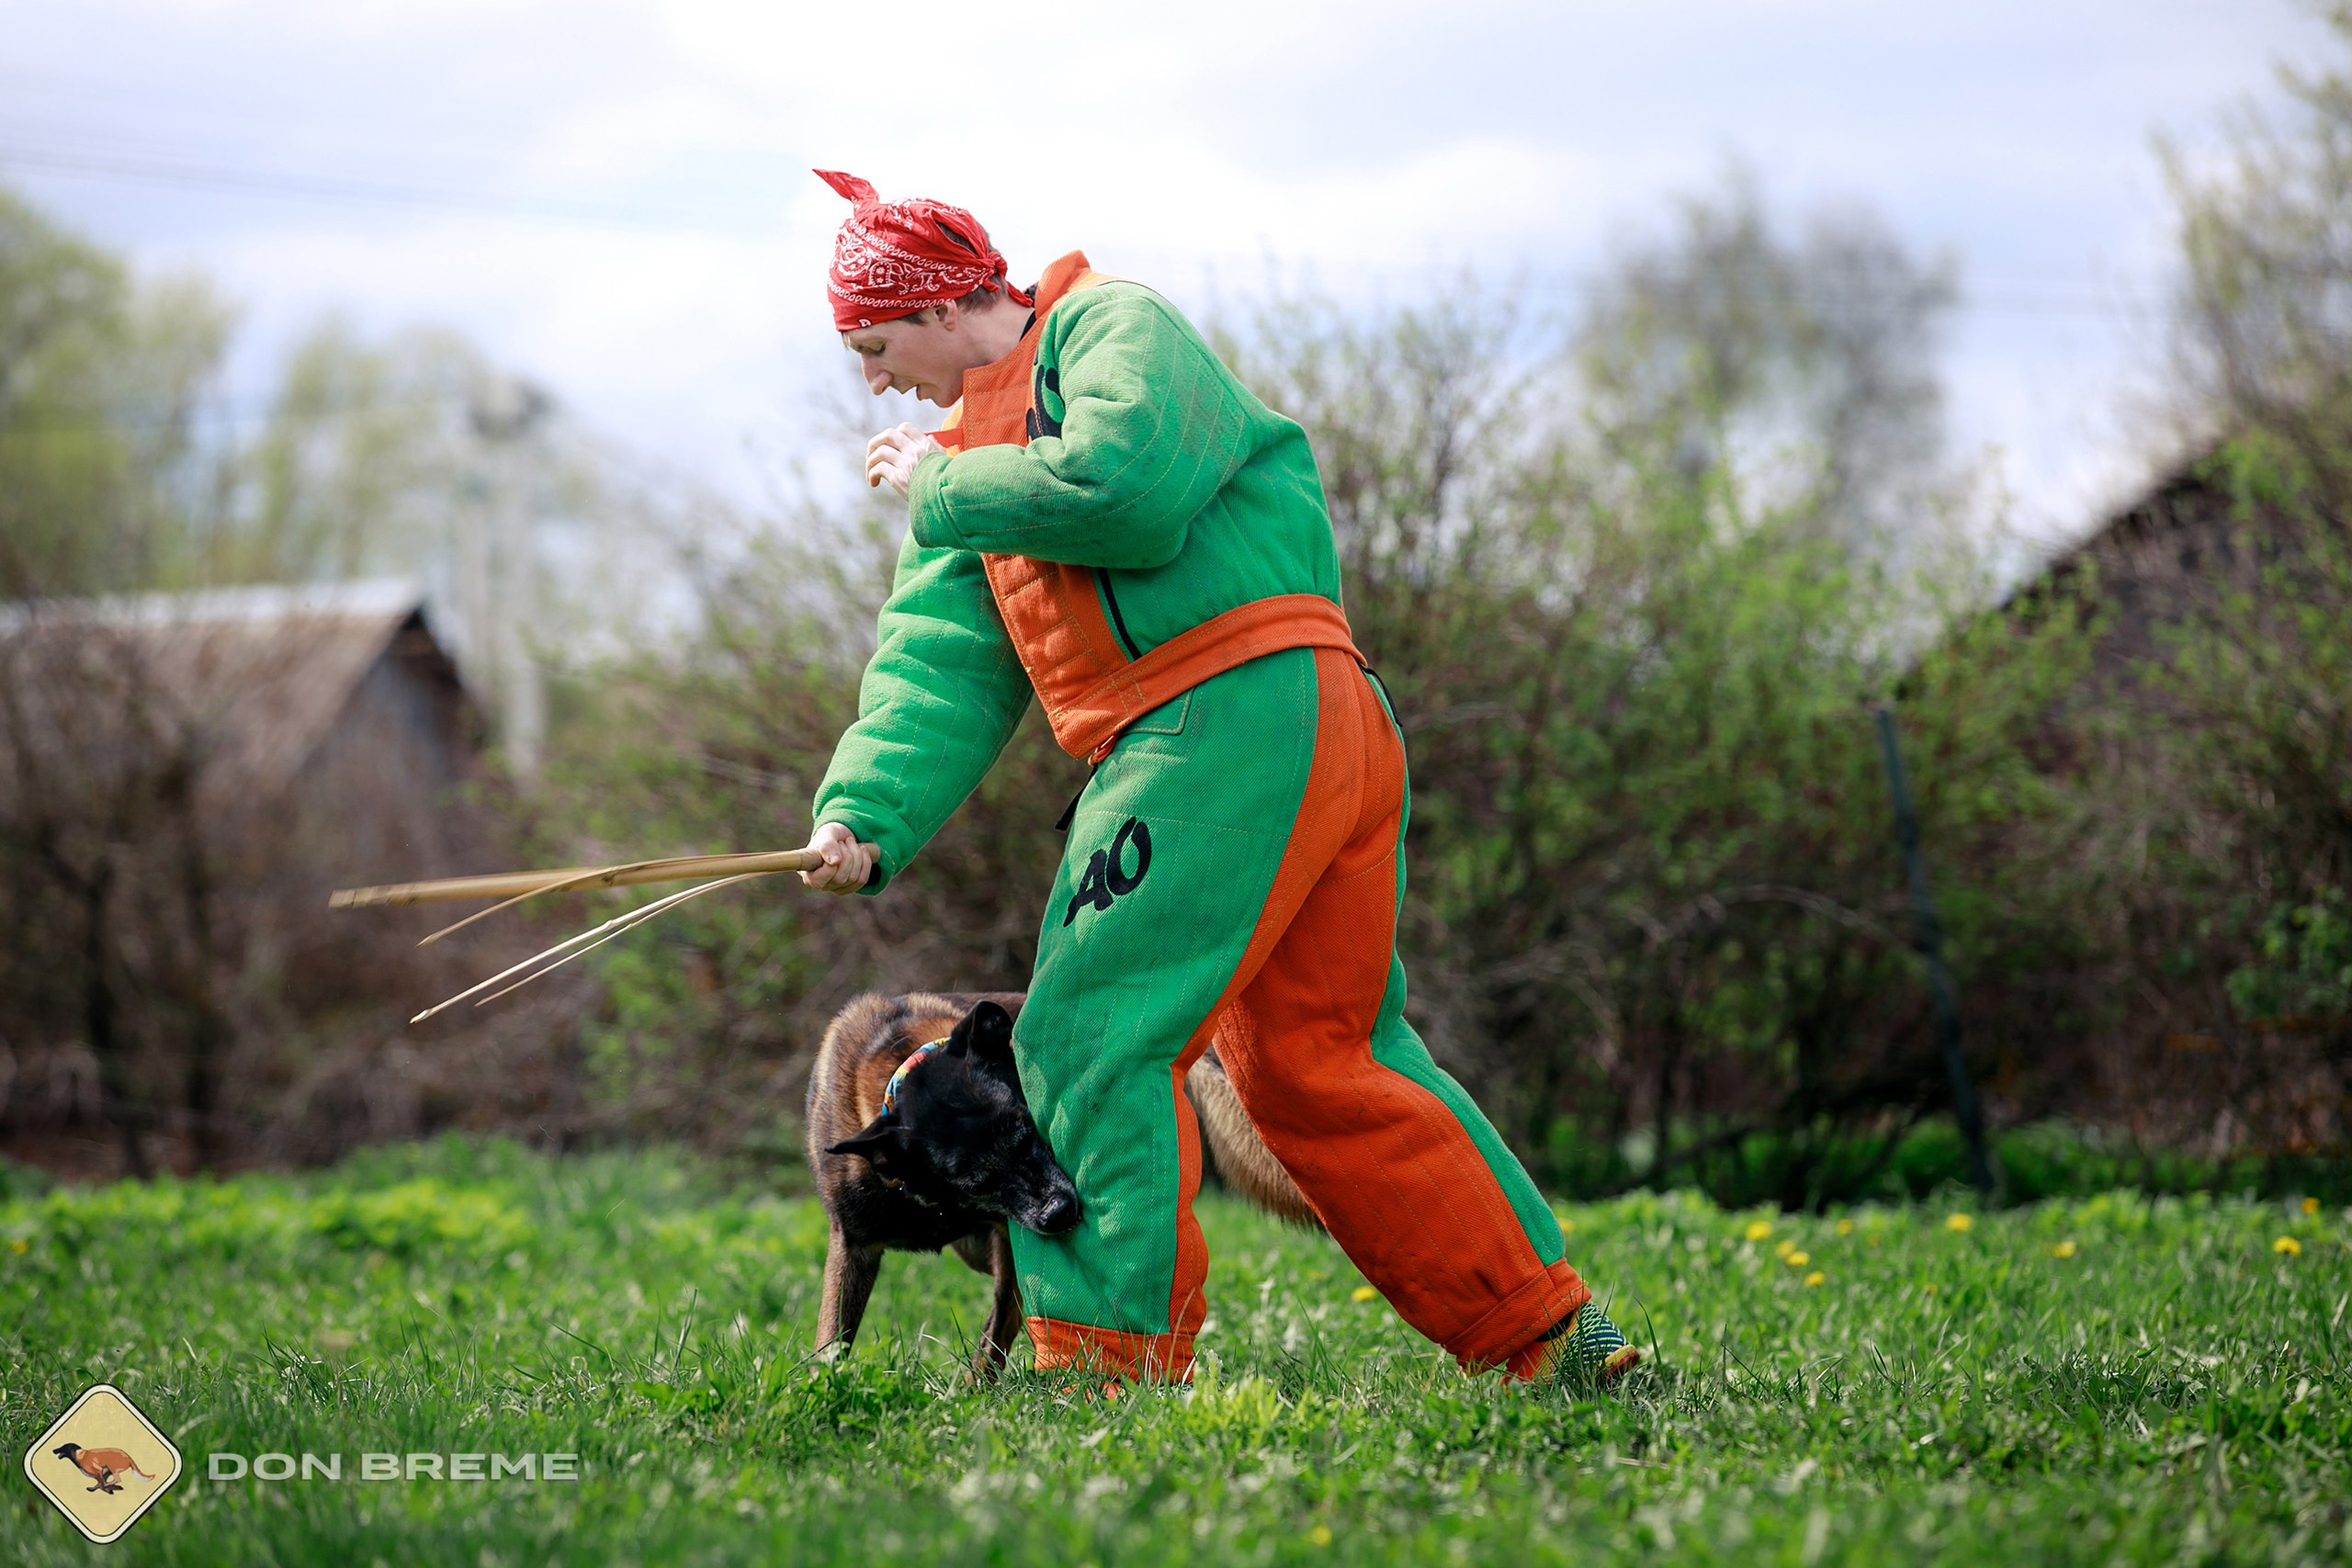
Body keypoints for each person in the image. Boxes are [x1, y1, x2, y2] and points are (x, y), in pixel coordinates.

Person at [796, 169, 1635, 1387]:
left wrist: (939, 485)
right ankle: (1559, 1343)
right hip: (1294, 738)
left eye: (876, 345)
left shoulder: (1107, 327)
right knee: (1314, 1067)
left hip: (1219, 723)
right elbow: (940, 671)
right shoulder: (968, 466)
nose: (875, 378)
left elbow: (1124, 492)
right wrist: (858, 813)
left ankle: (1100, 1369)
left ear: (940, 306)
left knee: (1084, 1040)